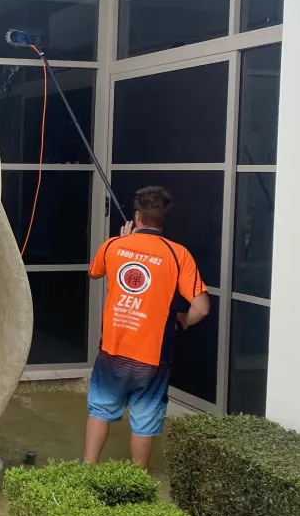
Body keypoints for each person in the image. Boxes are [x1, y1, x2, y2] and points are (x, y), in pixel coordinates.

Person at [86, 185, 210, 470]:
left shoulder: (113, 246)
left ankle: (87, 470)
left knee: (100, 409)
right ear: (163, 218)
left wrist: (123, 243)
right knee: (145, 418)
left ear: (137, 216)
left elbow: (94, 273)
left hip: (113, 350)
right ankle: (137, 480)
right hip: (153, 358)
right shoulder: (179, 255)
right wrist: (184, 320)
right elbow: (202, 308)